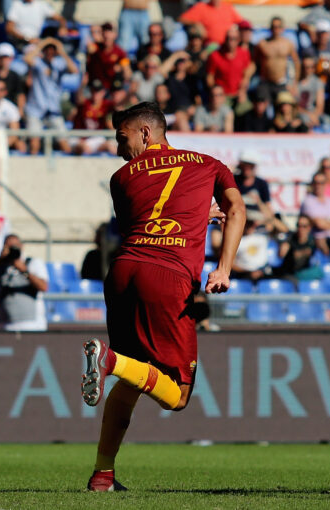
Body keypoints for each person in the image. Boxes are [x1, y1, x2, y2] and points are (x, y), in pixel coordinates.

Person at [81, 102, 245, 491]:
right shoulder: (210, 164)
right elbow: (236, 208)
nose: (119, 149)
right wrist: (223, 268)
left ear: (145, 133)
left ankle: (103, 475)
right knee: (178, 396)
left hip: (122, 273)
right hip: (167, 277)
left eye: (123, 138)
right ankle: (110, 359)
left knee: (132, 379)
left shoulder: (121, 178)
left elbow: (140, 225)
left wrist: (194, 216)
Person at [0, 234, 49, 332]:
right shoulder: (1, 265)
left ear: (21, 246)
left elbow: (43, 287)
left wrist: (24, 270)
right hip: (6, 324)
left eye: (15, 246)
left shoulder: (32, 263)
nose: (13, 249)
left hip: (31, 324)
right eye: (9, 246)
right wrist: (0, 261)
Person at [25, 37, 78, 155]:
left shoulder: (58, 64)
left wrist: (62, 51)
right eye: (47, 50)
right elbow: (27, 58)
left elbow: (74, 70)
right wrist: (42, 44)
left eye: (52, 50)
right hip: (36, 109)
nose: (49, 52)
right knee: (34, 143)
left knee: (65, 144)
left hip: (53, 110)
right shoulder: (38, 63)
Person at [254, 17, 300, 100]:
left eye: (278, 27)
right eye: (273, 27)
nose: (276, 29)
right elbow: (254, 62)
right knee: (261, 107)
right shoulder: (263, 44)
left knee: (284, 106)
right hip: (265, 82)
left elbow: (296, 63)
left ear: (282, 28)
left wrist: (294, 84)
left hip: (281, 82)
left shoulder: (288, 44)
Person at [206, 25, 254, 103]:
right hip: (222, 95)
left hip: (238, 93)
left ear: (238, 40)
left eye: (233, 39)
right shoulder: (215, 55)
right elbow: (210, 77)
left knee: (247, 109)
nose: (230, 41)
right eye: (228, 38)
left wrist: (243, 90)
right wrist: (216, 94)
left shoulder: (244, 53)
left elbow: (248, 71)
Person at [275, 215, 323, 283]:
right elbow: (281, 255)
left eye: (304, 226)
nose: (301, 229)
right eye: (298, 225)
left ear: (309, 227)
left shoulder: (313, 241)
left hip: (305, 273)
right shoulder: (290, 239)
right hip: (291, 274)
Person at [179, 0, 246, 46]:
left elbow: (241, 22)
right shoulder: (202, 7)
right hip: (210, 45)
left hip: (228, 45)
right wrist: (196, 24)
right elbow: (182, 19)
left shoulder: (228, 7)